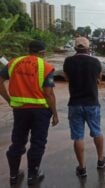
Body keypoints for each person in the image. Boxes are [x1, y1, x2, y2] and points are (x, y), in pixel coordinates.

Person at [0, 40, 59, 186]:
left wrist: (8, 99)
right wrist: (55, 113)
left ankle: (14, 175)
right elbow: (49, 93)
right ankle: (33, 175)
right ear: (42, 53)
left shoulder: (13, 63)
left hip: (20, 111)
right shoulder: (46, 67)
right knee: (38, 142)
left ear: (29, 50)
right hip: (40, 112)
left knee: (18, 141)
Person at [63, 37, 105, 178]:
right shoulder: (95, 62)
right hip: (92, 103)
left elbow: (66, 78)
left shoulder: (68, 62)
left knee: (78, 136)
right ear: (88, 48)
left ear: (75, 48)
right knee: (97, 132)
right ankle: (101, 160)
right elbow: (99, 79)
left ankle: (82, 168)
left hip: (75, 104)